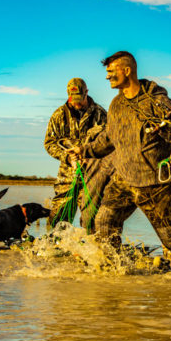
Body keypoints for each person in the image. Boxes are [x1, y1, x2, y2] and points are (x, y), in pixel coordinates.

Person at [72, 51, 171, 274]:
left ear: (127, 71)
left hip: (156, 186)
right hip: (123, 181)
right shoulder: (116, 104)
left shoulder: (156, 102)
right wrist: (84, 149)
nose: (107, 77)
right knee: (103, 222)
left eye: (111, 72)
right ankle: (116, 273)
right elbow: (108, 139)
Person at [44, 77, 112, 231]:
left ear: (86, 93)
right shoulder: (59, 114)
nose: (76, 103)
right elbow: (49, 143)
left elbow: (110, 143)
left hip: (94, 174)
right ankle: (56, 247)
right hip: (67, 174)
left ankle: (92, 248)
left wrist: (92, 156)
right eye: (72, 99)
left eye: (79, 99)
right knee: (58, 216)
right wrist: (67, 157)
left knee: (94, 215)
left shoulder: (101, 114)